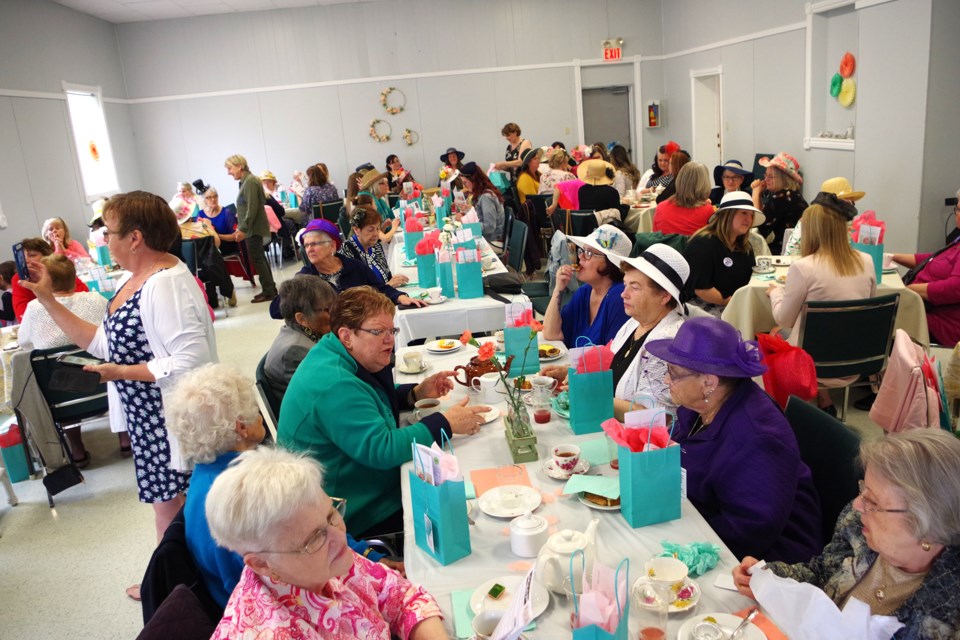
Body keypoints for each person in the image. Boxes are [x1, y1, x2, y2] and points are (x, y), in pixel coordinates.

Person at [21, 190, 217, 546]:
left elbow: (189, 361)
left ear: (135, 237)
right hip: (147, 416)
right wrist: (47, 301)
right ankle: (170, 581)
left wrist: (121, 372)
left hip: (166, 416)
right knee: (166, 504)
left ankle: (170, 587)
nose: (104, 240)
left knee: (170, 506)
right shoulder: (137, 278)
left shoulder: (165, 283)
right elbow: (102, 343)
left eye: (109, 232)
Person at [166, 365, 401, 612]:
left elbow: (319, 530)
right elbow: (311, 561)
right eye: (254, 410)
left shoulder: (204, 481)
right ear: (241, 428)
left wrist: (369, 555)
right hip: (290, 609)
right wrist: (375, 564)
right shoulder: (251, 496)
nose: (260, 417)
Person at [278, 286, 490, 537]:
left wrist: (414, 394)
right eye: (378, 332)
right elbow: (383, 449)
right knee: (476, 512)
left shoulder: (336, 351)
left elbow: (366, 395)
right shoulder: (334, 383)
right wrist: (444, 422)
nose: (389, 340)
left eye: (392, 330)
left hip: (357, 483)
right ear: (347, 335)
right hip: (352, 511)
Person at [734, 429, 960, 638]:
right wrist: (768, 577)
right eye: (863, 490)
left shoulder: (947, 611)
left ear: (927, 526)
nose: (857, 505)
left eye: (872, 501)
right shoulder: (859, 528)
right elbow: (821, 573)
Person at [205, 447, 444, 639]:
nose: (339, 536)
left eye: (331, 514)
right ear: (261, 564)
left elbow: (400, 596)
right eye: (315, 538)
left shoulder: (326, 559)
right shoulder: (272, 630)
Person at [646, 316, 821, 563]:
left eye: (673, 373)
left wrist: (679, 533)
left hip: (765, 559)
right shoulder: (699, 406)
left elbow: (750, 531)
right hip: (701, 516)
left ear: (708, 382)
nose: (666, 381)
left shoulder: (756, 439)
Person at [541, 244, 689, 418]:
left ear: (664, 296)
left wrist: (590, 393)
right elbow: (610, 365)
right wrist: (571, 373)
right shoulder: (634, 323)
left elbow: (654, 416)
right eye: (625, 285)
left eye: (635, 287)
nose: (623, 294)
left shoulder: (667, 342)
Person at [18, 254, 110, 466]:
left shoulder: (35, 308)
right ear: (74, 276)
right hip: (104, 383)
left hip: (63, 394)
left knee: (58, 375)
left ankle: (76, 449)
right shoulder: (96, 299)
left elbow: (25, 344)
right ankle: (125, 439)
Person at [268, 219, 424, 319]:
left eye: (315, 244)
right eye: (306, 245)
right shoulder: (306, 278)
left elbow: (381, 288)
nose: (309, 249)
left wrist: (400, 297)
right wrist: (296, 290)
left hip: (362, 326)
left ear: (332, 246)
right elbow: (275, 311)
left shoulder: (353, 266)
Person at [887, 188, 960, 347]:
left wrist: (910, 290)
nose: (956, 214)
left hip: (941, 323)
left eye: (958, 209)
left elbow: (955, 288)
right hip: (923, 307)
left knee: (881, 316)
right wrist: (892, 256)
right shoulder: (957, 241)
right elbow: (933, 259)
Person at [544, 224, 632, 348]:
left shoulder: (619, 298)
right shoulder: (585, 292)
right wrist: (558, 289)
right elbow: (551, 333)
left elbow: (611, 359)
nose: (580, 257)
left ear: (610, 263)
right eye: (582, 250)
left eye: (589, 253)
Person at [683, 191, 764, 316]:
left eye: (751, 215)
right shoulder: (703, 244)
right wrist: (730, 302)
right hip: (702, 309)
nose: (749, 219)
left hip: (734, 304)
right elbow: (702, 289)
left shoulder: (744, 247)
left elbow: (750, 278)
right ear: (728, 215)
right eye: (743, 213)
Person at [264, 277, 337, 401]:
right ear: (302, 319)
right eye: (328, 309)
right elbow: (327, 395)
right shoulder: (295, 350)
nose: (335, 313)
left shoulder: (299, 333)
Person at [225, 154, 277, 303]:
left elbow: (252, 208)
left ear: (239, 166)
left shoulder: (250, 182)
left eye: (230, 168)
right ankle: (269, 288)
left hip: (253, 228)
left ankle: (269, 291)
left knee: (257, 259)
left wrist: (242, 228)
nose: (229, 172)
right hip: (251, 228)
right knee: (259, 258)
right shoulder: (246, 181)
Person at [11, 237, 89, 323]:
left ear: (47, 256)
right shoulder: (19, 279)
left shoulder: (61, 270)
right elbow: (22, 315)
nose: (26, 260)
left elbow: (84, 296)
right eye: (22, 257)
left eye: (32, 255)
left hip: (74, 321)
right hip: (43, 328)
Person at [783, 176, 865, 256]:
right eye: (844, 202)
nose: (849, 206)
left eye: (851, 202)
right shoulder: (809, 222)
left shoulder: (854, 225)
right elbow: (791, 254)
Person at [338, 201, 407, 288]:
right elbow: (357, 293)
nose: (375, 234)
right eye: (370, 230)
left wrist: (394, 280)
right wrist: (388, 286)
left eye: (378, 228)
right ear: (356, 230)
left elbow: (387, 276)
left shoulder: (375, 246)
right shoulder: (347, 252)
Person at [751, 152, 807, 254]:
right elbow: (763, 217)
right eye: (765, 175)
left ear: (782, 179)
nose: (765, 179)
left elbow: (758, 226)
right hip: (800, 248)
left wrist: (755, 193)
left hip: (786, 250)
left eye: (770, 177)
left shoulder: (780, 198)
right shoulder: (792, 194)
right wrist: (759, 195)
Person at [652, 162, 714, 236]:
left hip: (663, 247)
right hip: (692, 247)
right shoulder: (707, 210)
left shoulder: (660, 207)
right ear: (704, 184)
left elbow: (655, 238)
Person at [458, 162, 505, 243]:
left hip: (493, 241)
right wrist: (469, 211)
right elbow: (481, 214)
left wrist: (465, 222)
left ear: (473, 180)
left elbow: (489, 227)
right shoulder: (481, 193)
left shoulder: (486, 197)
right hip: (487, 237)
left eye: (465, 182)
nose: (464, 186)